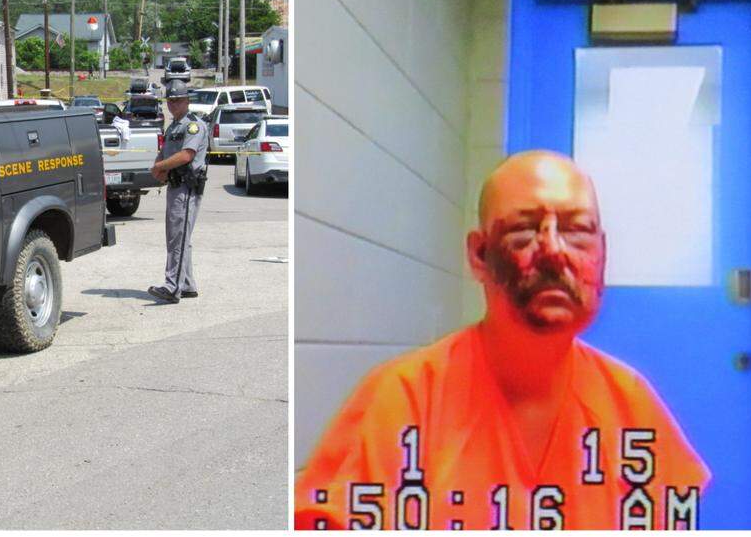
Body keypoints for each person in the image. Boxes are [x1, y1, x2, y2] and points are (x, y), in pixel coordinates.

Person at [295, 151, 709, 530]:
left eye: (577, 231)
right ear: (479, 255)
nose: (553, 251)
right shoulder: (405, 400)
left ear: (602, 253)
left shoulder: (631, 407)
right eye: (524, 230)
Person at [147, 79, 207, 304]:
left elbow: (186, 155)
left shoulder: (193, 125)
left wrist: (160, 167)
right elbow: (164, 153)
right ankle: (187, 284)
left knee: (178, 238)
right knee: (180, 237)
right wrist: (159, 167)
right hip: (174, 185)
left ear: (187, 101)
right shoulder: (174, 126)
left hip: (186, 186)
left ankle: (172, 287)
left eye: (178, 100)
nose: (173, 104)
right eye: (170, 101)